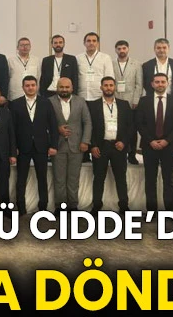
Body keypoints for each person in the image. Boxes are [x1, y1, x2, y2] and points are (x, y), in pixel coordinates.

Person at [136, 72, 173, 213]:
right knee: (150, 179)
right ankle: (151, 211)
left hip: (169, 146)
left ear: (167, 83)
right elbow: (139, 123)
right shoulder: (144, 101)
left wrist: (166, 140)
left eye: (163, 82)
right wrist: (151, 140)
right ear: (152, 84)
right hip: (149, 146)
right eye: (157, 82)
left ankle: (169, 211)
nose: (160, 84)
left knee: (168, 179)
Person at [11, 75, 58, 215]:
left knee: (42, 178)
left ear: (37, 87)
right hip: (22, 147)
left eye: (33, 85)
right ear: (23, 87)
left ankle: (43, 206)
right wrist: (14, 148)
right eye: (27, 85)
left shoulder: (46, 103)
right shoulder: (15, 104)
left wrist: (53, 145)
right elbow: (11, 129)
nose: (30, 88)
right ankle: (21, 207)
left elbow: (53, 125)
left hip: (41, 146)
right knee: (21, 179)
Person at [88, 77, 134, 214]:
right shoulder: (93, 105)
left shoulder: (124, 104)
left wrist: (124, 142)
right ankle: (96, 206)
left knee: (121, 178)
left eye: (111, 85)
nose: (108, 88)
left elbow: (131, 126)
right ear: (101, 87)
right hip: (100, 147)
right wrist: (93, 146)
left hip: (118, 146)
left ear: (115, 87)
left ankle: (124, 205)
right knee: (98, 178)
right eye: (106, 85)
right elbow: (89, 127)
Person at [48, 77, 92, 212]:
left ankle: (73, 205)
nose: (64, 89)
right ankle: (60, 206)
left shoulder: (80, 101)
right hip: (58, 146)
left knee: (73, 178)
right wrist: (57, 129)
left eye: (67, 87)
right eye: (61, 87)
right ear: (57, 88)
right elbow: (44, 123)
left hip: (77, 146)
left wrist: (85, 141)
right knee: (59, 179)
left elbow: (87, 122)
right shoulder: (49, 102)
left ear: (72, 88)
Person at [112, 40, 144, 165]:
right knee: (118, 127)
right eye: (119, 48)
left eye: (124, 48)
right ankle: (118, 152)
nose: (122, 51)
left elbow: (139, 84)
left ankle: (132, 155)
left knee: (132, 129)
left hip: (131, 101)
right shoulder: (111, 63)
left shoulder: (136, 64)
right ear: (116, 50)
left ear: (128, 49)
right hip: (116, 100)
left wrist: (136, 100)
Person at [76, 32, 114, 101]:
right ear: (84, 43)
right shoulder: (78, 58)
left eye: (94, 41)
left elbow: (109, 77)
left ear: (97, 43)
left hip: (99, 96)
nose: (91, 43)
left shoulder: (105, 58)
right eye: (88, 41)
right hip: (81, 96)